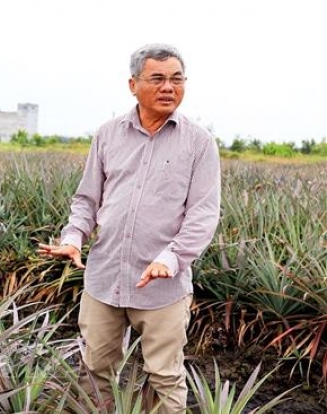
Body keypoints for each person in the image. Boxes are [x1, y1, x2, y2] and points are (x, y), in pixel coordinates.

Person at [38, 43, 221, 414]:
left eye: (177, 79)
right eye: (157, 79)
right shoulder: (108, 134)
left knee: (165, 376)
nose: (169, 87)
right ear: (133, 84)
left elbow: (203, 214)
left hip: (163, 287)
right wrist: (73, 238)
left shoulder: (199, 143)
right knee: (94, 370)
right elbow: (87, 200)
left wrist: (172, 257)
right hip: (104, 278)